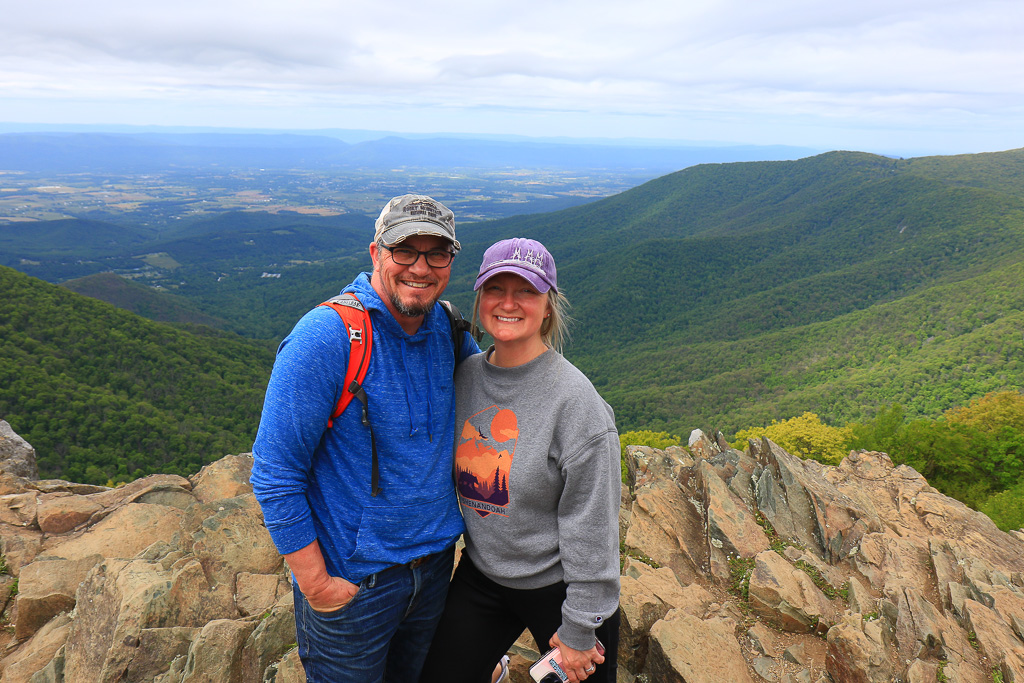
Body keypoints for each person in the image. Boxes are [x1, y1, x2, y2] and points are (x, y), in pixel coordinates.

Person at [251, 194, 480, 682]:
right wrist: (316, 584)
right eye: (405, 251)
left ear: (451, 262)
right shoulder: (326, 337)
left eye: (436, 254)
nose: (420, 267)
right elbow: (275, 472)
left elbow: (501, 398)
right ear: (376, 253)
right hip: (356, 586)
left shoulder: (450, 329)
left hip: (436, 571)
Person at [419, 238, 621, 683]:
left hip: (560, 587)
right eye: (496, 289)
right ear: (480, 297)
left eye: (526, 291)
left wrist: (580, 629)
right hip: (483, 575)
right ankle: (496, 668)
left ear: (547, 305)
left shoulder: (576, 404)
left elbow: (594, 528)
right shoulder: (466, 375)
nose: (508, 303)